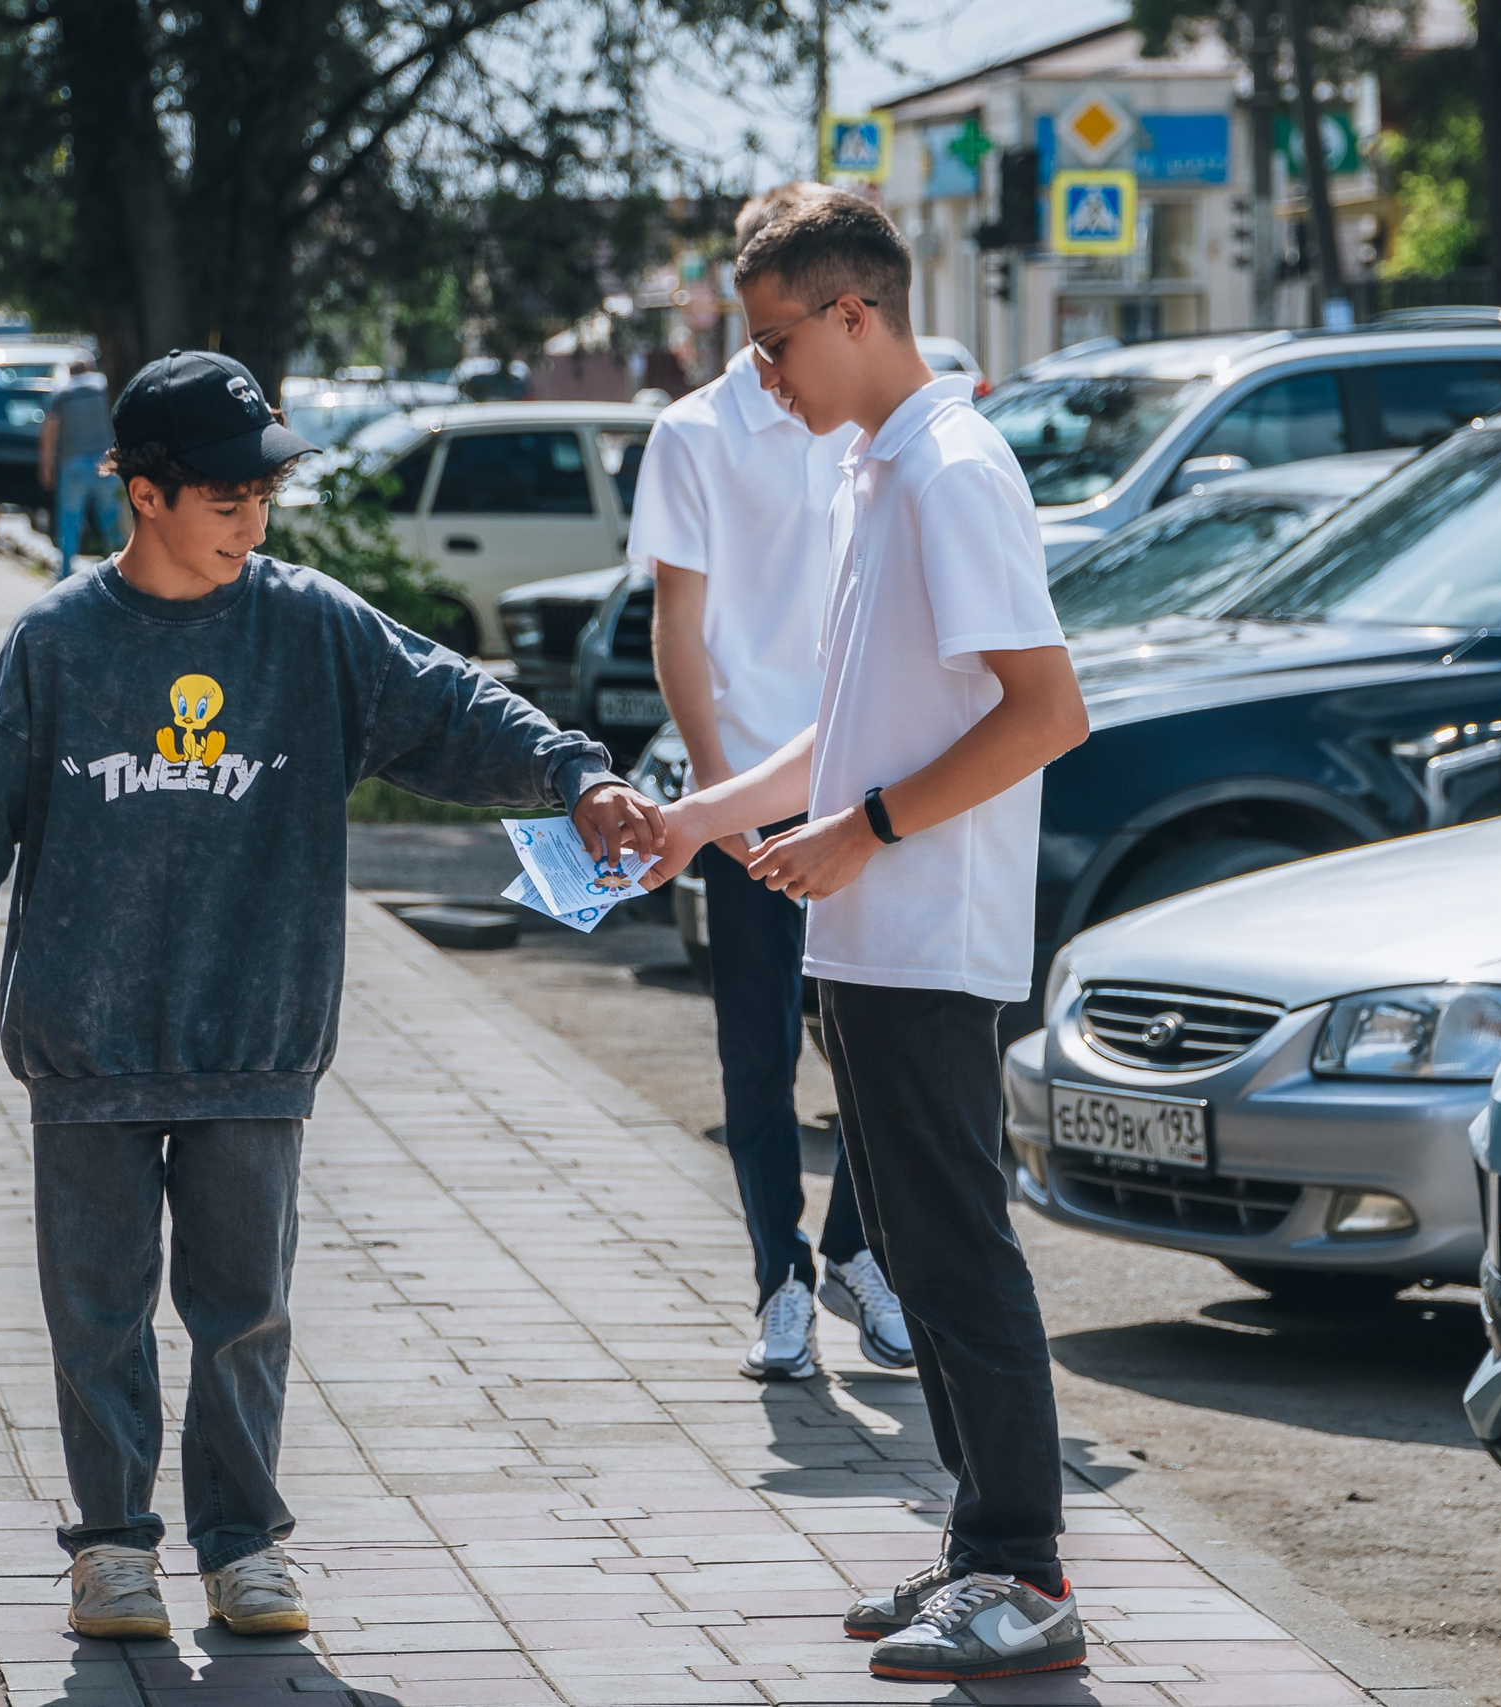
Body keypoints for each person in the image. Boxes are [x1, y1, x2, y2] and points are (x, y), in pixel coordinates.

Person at [0, 349, 663, 1645]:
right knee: (96, 1310)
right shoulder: (58, 642)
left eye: (263, 490)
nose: (252, 517)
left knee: (244, 1306)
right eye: (224, 495)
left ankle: (242, 1542)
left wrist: (576, 774)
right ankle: (114, 1546)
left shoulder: (308, 624)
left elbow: (453, 704)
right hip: (89, 1044)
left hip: (254, 1035)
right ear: (142, 492)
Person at [643, 194, 1092, 1684]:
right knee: (905, 1237)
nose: (762, 375)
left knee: (955, 1249)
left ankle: (1025, 1567)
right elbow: (848, 727)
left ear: (856, 314)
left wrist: (868, 832)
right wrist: (707, 811)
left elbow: (1045, 713)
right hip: (866, 931)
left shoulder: (952, 471)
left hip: (926, 929)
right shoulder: (869, 470)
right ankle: (981, 1547)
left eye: (776, 342)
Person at [636, 182, 910, 1384]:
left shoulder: (872, 417)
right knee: (758, 1053)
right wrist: (710, 793)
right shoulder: (694, 433)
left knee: (876, 1041)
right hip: (752, 787)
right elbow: (676, 623)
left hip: (869, 785)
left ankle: (856, 1253)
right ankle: (777, 1281)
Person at [37, 359, 122, 575]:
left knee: (69, 524)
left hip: (73, 463)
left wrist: (46, 466)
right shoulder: (104, 388)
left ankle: (65, 573)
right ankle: (119, 572)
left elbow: (50, 433)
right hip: (105, 463)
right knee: (110, 522)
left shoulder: (61, 393)